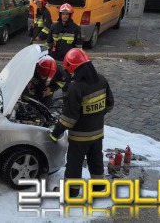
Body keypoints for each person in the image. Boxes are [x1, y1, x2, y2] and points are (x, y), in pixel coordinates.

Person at [48, 48, 114, 198]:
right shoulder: (102, 80)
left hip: (79, 137)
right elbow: (109, 105)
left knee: (74, 165)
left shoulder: (76, 87)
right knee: (96, 160)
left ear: (73, 67)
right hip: (97, 134)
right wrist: (96, 116)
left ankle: (72, 192)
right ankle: (98, 187)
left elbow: (69, 118)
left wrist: (56, 132)